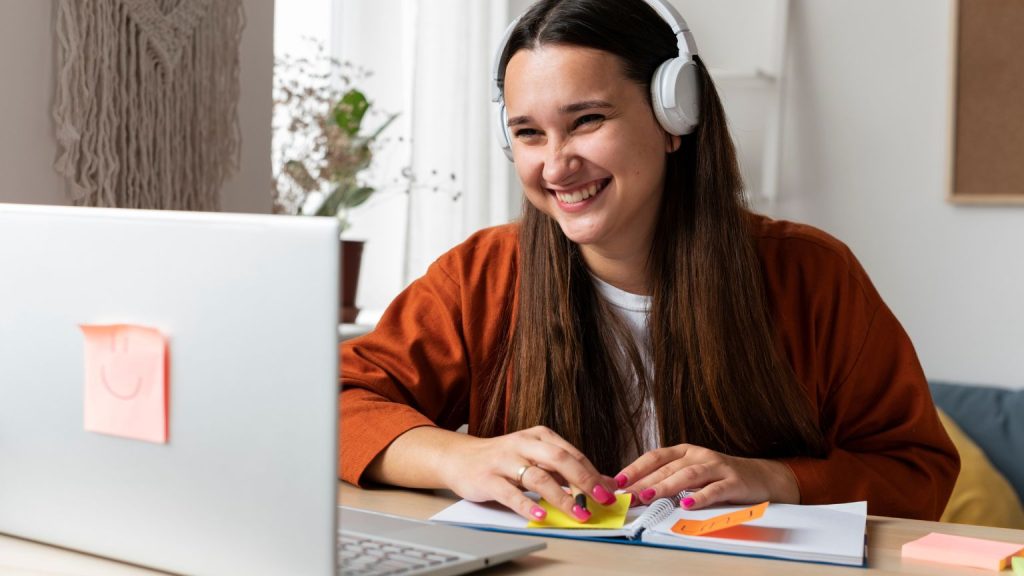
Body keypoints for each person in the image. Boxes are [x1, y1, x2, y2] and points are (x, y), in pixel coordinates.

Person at [339, 0, 959, 524]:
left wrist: (778, 479)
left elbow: (917, 472)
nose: (555, 165)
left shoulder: (814, 275)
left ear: (673, 116)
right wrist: (456, 457)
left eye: (586, 120)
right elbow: (332, 400)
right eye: (528, 133)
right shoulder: (481, 275)